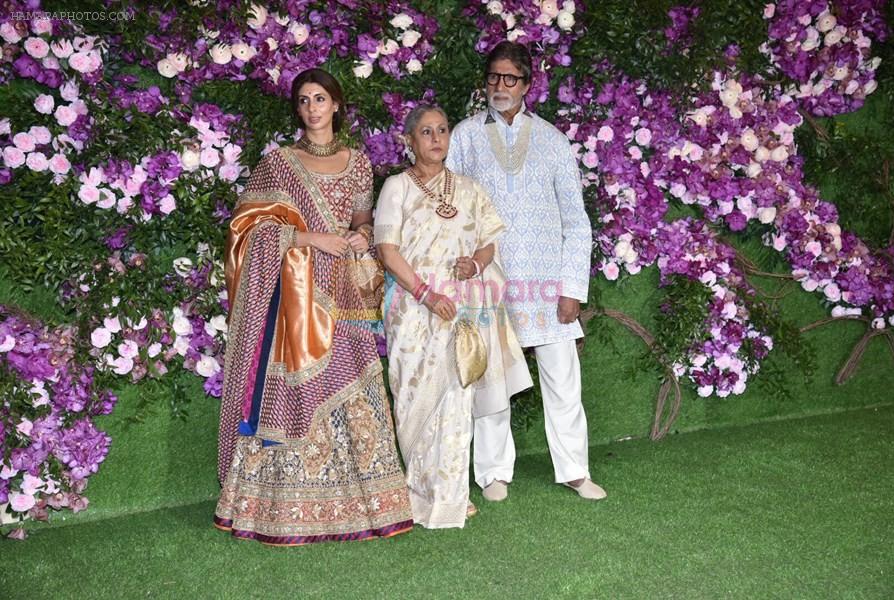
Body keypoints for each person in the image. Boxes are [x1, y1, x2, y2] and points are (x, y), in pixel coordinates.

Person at [214, 68, 413, 545]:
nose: (311, 108)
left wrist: (359, 237)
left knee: (357, 380)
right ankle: (281, 507)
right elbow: (247, 229)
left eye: (320, 98)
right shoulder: (280, 163)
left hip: (345, 291)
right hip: (295, 299)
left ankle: (370, 502)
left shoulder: (360, 161)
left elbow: (365, 220)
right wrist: (308, 237)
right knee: (296, 392)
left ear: (337, 104)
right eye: (303, 100)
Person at [446, 42, 607, 501]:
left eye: (510, 79)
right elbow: (451, 209)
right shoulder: (464, 136)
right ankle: (493, 473)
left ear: (528, 85)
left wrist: (572, 288)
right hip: (489, 280)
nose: (500, 86)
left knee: (563, 381)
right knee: (492, 381)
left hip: (547, 284)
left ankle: (576, 469)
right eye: (494, 77)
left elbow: (576, 221)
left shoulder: (554, 142)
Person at [375, 105, 531, 528]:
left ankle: (449, 494)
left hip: (461, 308)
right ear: (409, 140)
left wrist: (475, 267)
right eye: (426, 131)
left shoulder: (469, 189)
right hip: (412, 306)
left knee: (457, 399)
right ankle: (416, 492)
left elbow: (487, 243)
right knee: (411, 397)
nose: (436, 138)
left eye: (442, 130)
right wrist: (426, 294)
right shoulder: (396, 187)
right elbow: (388, 251)